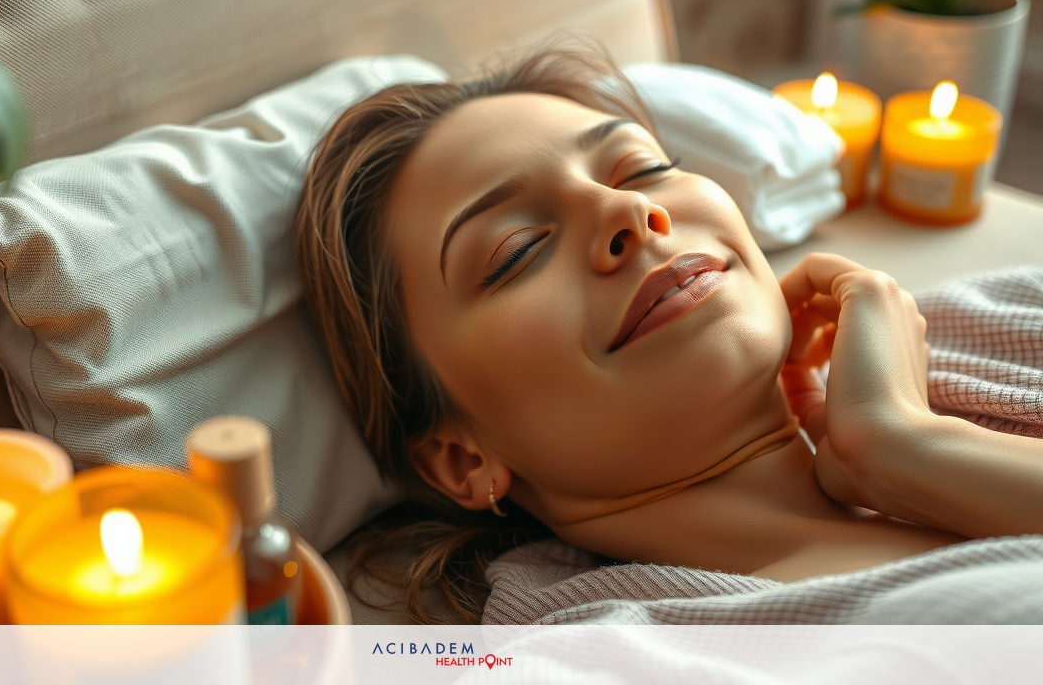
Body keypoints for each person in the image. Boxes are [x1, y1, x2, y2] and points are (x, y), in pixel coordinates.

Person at [294, 43, 1043, 623]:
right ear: (463, 458)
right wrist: (895, 446)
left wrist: (908, 444)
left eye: (641, 170)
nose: (629, 214)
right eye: (518, 249)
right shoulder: (613, 654)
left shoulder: (993, 319)